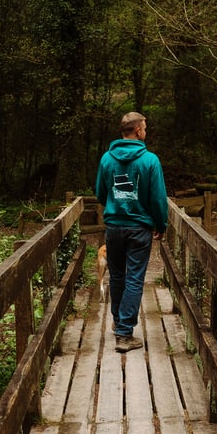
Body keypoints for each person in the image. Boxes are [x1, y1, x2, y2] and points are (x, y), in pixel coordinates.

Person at [95, 111, 168, 353]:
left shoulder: (107, 159)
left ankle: (119, 322)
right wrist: (161, 224)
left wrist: (117, 208)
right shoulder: (150, 160)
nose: (146, 131)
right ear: (137, 131)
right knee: (134, 278)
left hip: (114, 227)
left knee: (117, 276)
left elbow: (100, 192)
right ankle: (125, 334)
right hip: (139, 228)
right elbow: (158, 199)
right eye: (144, 128)